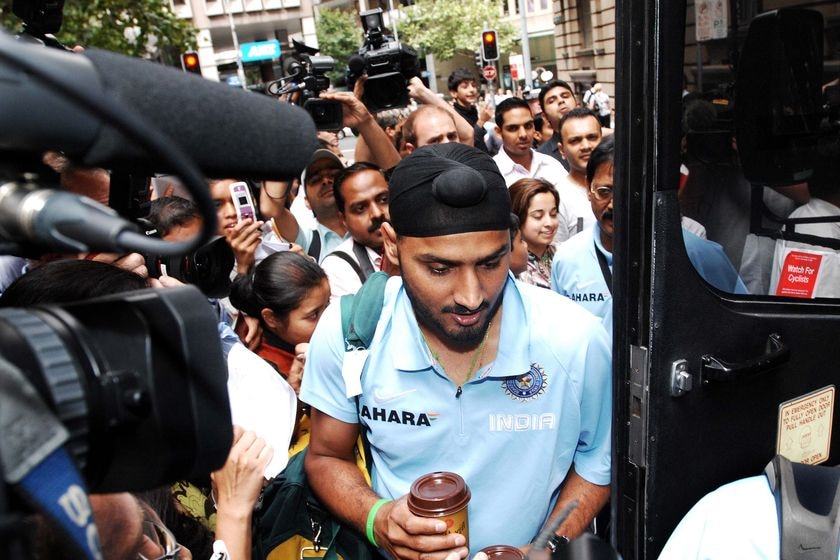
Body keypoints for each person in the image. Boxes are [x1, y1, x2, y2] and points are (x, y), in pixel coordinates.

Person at [300, 142, 612, 558]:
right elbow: (325, 457)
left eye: (490, 263)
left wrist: (546, 546)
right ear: (392, 245)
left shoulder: (577, 340)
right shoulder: (349, 334)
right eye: (439, 268)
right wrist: (378, 520)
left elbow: (597, 465)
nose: (470, 297)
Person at [229, 251, 330, 395]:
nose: (327, 318)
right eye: (313, 315)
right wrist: (296, 397)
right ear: (272, 318)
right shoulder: (263, 373)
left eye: (327, 304)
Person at [320, 162, 393, 302]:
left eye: (384, 200)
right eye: (360, 208)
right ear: (344, 220)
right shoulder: (338, 267)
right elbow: (359, 323)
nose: (377, 213)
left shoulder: (421, 238)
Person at [492, 97, 568, 188]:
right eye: (513, 128)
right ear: (498, 132)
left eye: (528, 126)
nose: (523, 134)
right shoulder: (492, 172)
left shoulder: (551, 165)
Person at [554, 108, 604, 242]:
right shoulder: (557, 199)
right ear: (562, 150)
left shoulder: (624, 186)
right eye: (575, 140)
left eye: (592, 137)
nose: (586, 146)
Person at [510, 178, 560, 288]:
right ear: (517, 218)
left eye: (553, 214)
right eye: (538, 216)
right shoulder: (512, 265)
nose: (549, 223)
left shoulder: (565, 253)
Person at [536, 80, 579, 167]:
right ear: (544, 116)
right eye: (551, 101)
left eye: (565, 96)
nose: (561, 101)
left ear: (577, 103)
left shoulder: (603, 142)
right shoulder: (540, 158)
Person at [448, 67, 491, 152]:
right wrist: (481, 121)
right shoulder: (454, 116)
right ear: (454, 93)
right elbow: (468, 143)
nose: (472, 90)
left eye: (474, 85)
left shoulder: (472, 110)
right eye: (465, 87)